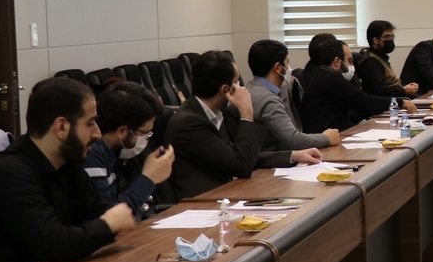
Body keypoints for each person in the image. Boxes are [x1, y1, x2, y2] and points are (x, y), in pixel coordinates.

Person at [0, 77, 136, 262]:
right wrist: (108, 225)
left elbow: (95, 216)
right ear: (61, 127)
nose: (98, 133)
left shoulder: (67, 163)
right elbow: (55, 245)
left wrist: (103, 225)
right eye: (90, 123)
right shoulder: (8, 172)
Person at [166, 50, 322, 199]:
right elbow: (241, 165)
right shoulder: (190, 123)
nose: (242, 88)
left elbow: (236, 155)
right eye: (237, 83)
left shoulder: (212, 113)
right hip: (203, 203)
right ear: (226, 90)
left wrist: (292, 156)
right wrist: (247, 113)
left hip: (226, 193)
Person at [84, 81, 174, 216]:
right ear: (123, 131)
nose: (147, 138)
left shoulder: (106, 154)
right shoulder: (91, 156)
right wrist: (149, 177)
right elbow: (109, 220)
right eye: (145, 133)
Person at [245, 39, 339, 151]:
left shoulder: (249, 89)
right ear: (278, 68)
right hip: (275, 159)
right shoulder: (268, 100)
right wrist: (326, 138)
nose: (289, 68)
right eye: (287, 62)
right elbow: (293, 140)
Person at [300, 38, 395, 134]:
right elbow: (366, 103)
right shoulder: (331, 79)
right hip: (326, 138)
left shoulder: (324, 75)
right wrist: (398, 102)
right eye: (349, 61)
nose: (351, 65)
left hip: (336, 133)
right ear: (337, 61)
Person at [357, 20, 421, 98]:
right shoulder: (371, 62)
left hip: (397, 97)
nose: (390, 40)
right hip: (390, 102)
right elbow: (379, 92)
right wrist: (403, 90)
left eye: (392, 37)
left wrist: (405, 89)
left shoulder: (380, 57)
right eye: (387, 37)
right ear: (376, 40)